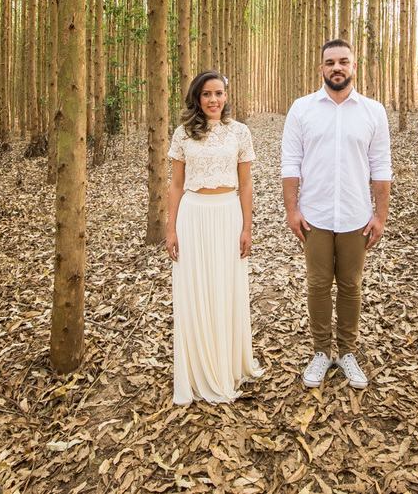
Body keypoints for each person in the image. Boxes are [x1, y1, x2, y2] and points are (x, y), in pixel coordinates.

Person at [281, 38, 391, 390]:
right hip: (314, 214)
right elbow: (290, 162)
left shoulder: (374, 112)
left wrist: (381, 215)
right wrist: (291, 209)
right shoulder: (301, 109)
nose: (337, 68)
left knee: (351, 285)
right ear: (321, 68)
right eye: (330, 63)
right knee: (316, 284)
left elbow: (381, 165)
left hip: (356, 215)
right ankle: (320, 351)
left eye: (344, 61)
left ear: (354, 66)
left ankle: (346, 351)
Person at [166, 70, 264, 405]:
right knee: (197, 288)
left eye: (219, 93)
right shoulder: (183, 134)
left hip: (228, 214)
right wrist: (171, 228)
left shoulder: (240, 132)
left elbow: (247, 184)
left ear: (226, 96)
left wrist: (247, 227)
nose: (213, 100)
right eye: (207, 94)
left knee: (226, 287)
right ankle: (198, 372)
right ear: (197, 97)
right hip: (193, 215)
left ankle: (228, 364)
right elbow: (176, 184)